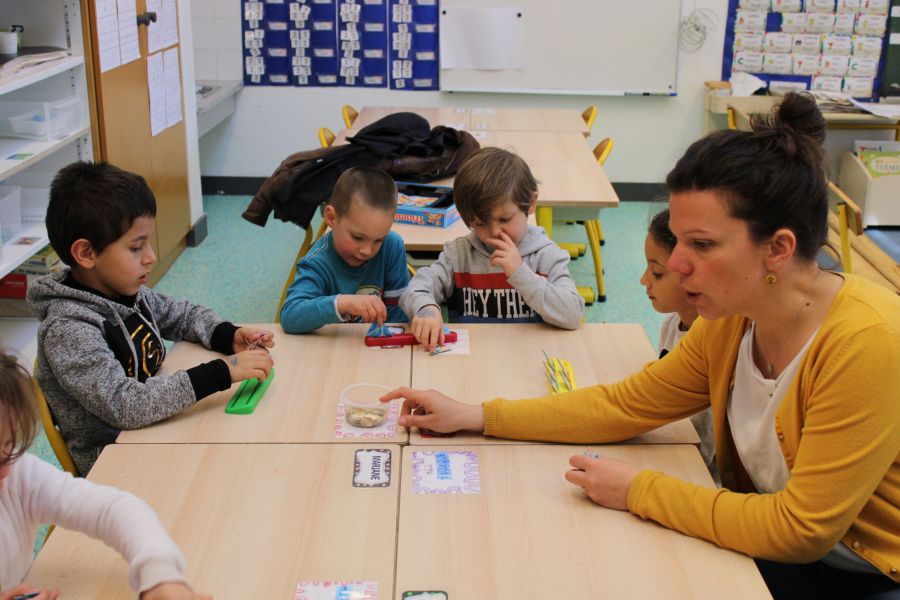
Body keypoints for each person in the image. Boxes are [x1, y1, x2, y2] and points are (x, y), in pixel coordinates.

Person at [381, 93, 900, 598]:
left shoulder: (867, 342)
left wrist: (637, 489)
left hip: (863, 574)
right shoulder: (733, 318)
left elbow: (799, 530)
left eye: (701, 244)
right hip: (772, 542)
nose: (677, 264)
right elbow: (624, 405)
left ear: (778, 249)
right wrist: (473, 415)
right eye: (680, 239)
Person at [27, 161, 274, 476]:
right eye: (136, 247)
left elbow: (181, 315)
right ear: (86, 254)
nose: (151, 257)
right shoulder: (68, 330)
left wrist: (227, 335)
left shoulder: (122, 290)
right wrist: (222, 372)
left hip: (157, 428)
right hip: (117, 462)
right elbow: (126, 405)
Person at [0, 351, 211, 599]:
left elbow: (114, 509)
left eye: (8, 447)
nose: (6, 469)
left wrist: (160, 577)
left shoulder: (18, 476)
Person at [400, 147, 584, 350]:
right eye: (480, 223)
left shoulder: (546, 255)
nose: (494, 232)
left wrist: (520, 273)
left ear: (531, 203)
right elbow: (416, 288)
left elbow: (573, 314)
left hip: (532, 356)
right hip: (473, 358)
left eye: (504, 219)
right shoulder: (459, 254)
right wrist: (426, 308)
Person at [280, 166, 409, 333]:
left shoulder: (392, 246)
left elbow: (399, 315)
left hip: (375, 344)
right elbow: (290, 315)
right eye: (358, 237)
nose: (367, 250)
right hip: (331, 346)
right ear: (332, 218)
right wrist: (341, 303)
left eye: (378, 240)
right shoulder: (317, 262)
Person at [640, 209, 713, 482]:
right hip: (670, 444)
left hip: (697, 470)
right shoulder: (673, 324)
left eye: (657, 273)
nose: (644, 280)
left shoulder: (714, 341)